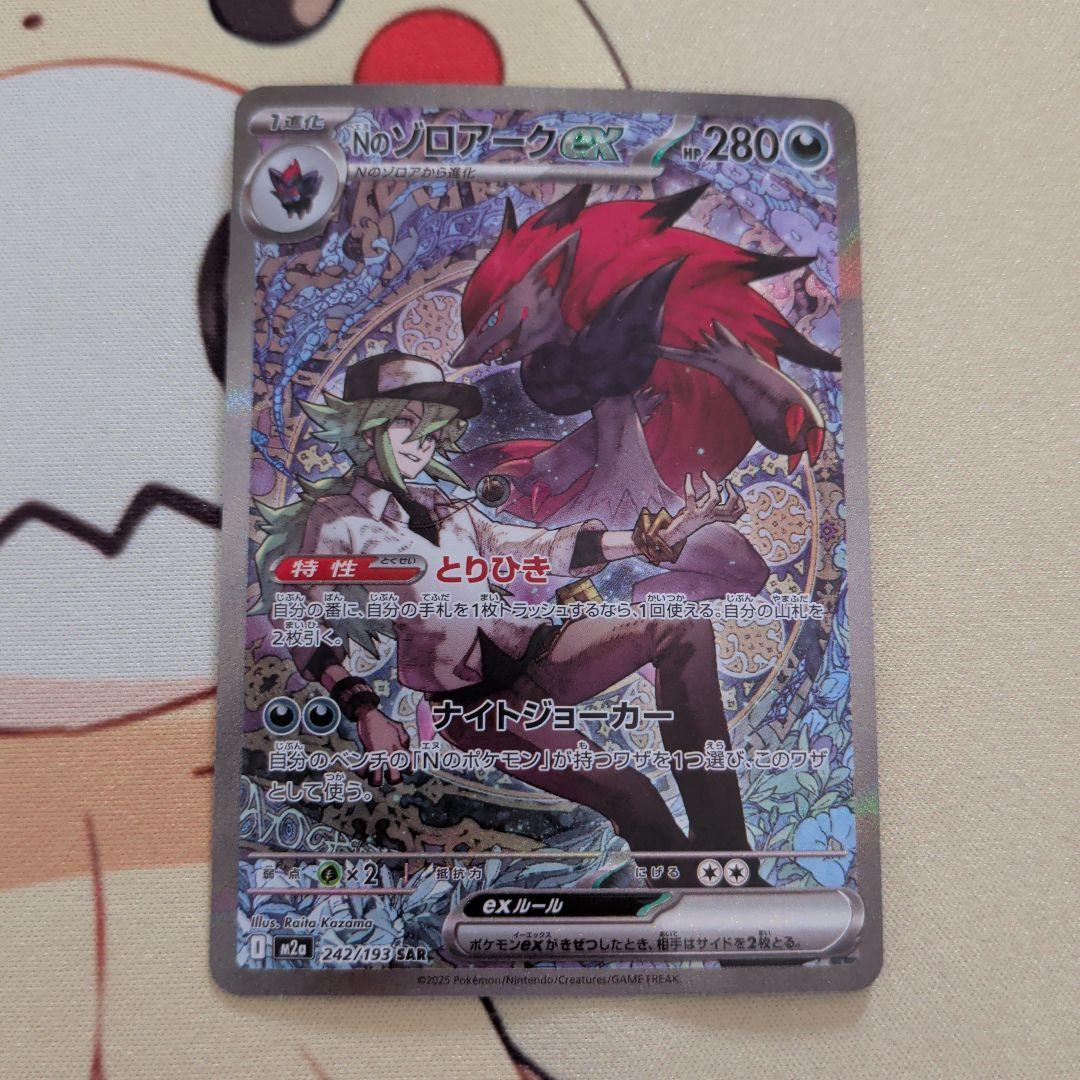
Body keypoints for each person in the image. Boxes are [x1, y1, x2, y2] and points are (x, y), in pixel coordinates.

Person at [260, 350, 754, 858]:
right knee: (633, 796)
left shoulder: (447, 508)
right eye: (408, 423)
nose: (423, 444)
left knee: (681, 628)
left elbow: (535, 547)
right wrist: (363, 709)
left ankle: (728, 852)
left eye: (432, 431)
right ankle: (687, 879)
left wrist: (653, 539)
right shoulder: (339, 521)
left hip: (544, 655)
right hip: (476, 707)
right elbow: (298, 618)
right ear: (367, 430)